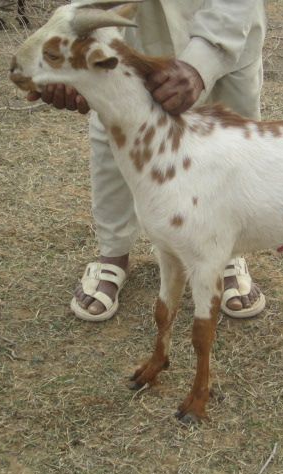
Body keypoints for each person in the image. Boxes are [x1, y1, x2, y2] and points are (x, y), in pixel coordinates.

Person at [28, 0, 268, 322]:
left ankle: (228, 254)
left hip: (227, 27)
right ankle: (113, 254)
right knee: (116, 130)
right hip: (129, 33)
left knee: (232, 137)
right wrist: (72, 52)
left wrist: (203, 60)